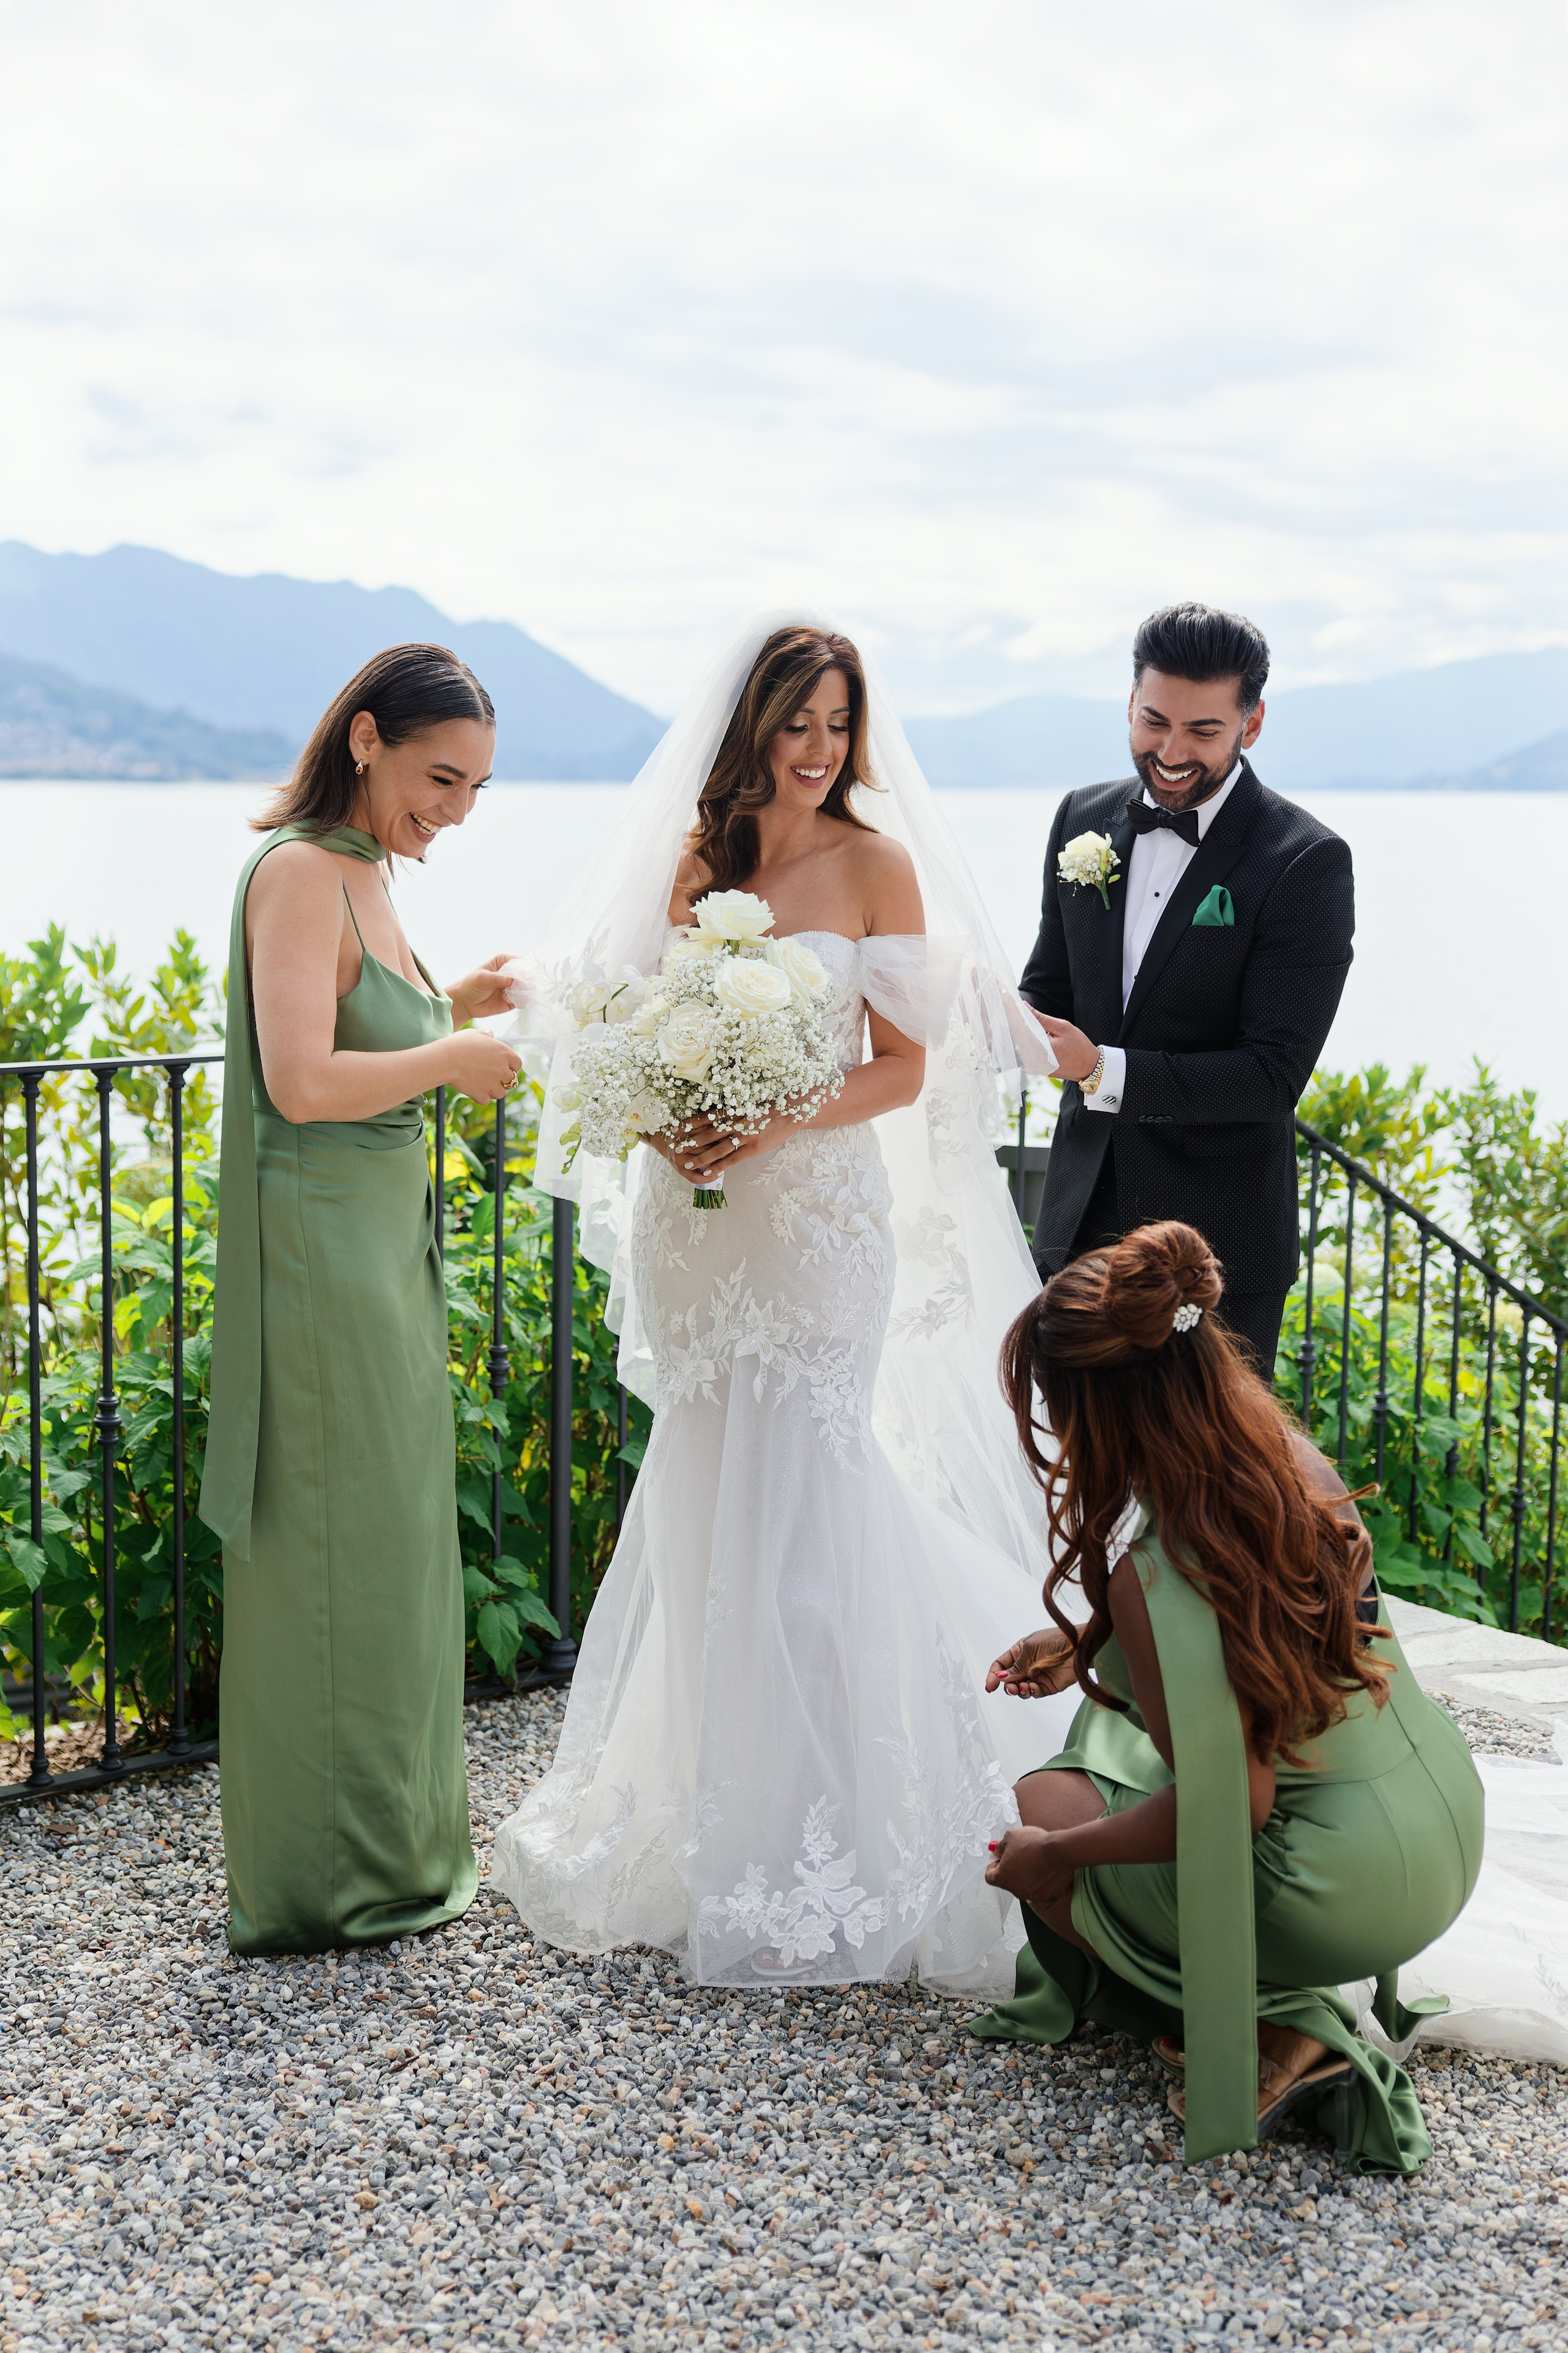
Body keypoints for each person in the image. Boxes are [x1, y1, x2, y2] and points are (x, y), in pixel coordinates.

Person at [489, 618, 1077, 1992]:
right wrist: (661, 1125)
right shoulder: (694, 864)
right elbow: (623, 1040)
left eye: (836, 725)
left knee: (810, 1492)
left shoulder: (879, 862)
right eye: (793, 724)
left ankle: (847, 1821)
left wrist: (768, 1122)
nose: (816, 752)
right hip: (701, 1230)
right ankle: (710, 1811)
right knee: (704, 1492)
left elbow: (904, 1067)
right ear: (748, 730)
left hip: (817, 1220)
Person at [972, 1222, 1485, 2173]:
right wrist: (1091, 1643)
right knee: (1105, 1727)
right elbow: (1268, 1641)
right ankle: (1292, 2003)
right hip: (1442, 1816)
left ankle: (1291, 2026)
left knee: (1045, 1804)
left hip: (1339, 1892)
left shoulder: (1152, 1571)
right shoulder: (1288, 1460)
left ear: (1101, 1408)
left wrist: (1054, 1857)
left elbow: (1231, 1808)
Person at [200, 643, 522, 1955]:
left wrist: (457, 1002)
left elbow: (355, 1027)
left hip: (381, 1246)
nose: (454, 807)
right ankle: (325, 1874)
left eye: (478, 788)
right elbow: (299, 1081)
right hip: (319, 1259)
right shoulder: (295, 872)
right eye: (440, 776)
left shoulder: (366, 871)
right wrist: (453, 1054)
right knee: (335, 1545)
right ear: (368, 739)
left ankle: (397, 1846)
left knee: (389, 1545)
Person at [1020, 603, 1355, 1380]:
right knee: (1069, 1475)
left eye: (1203, 731)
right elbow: (1047, 985)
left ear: (1253, 722)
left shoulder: (1305, 860)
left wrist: (1100, 1068)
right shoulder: (1082, 818)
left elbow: (1271, 1076)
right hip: (1077, 1225)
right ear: (1129, 705)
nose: (1170, 753)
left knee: (1201, 1496)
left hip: (1215, 1249)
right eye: (1153, 722)